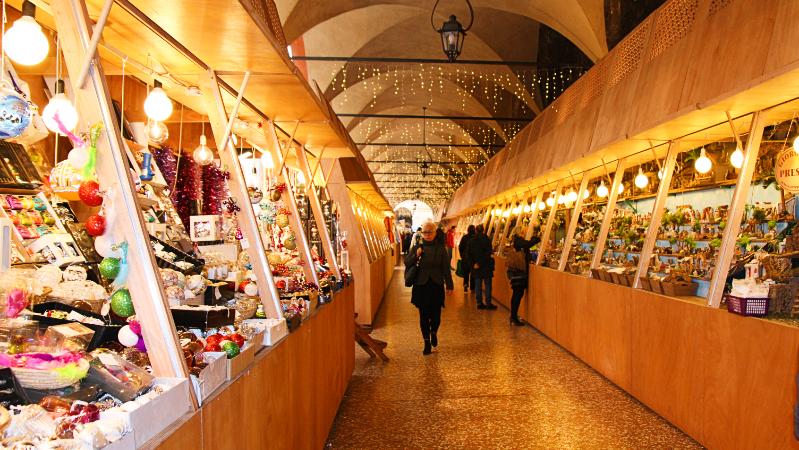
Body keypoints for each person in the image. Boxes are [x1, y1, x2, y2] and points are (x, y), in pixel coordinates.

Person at [405, 221, 454, 355]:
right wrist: (416, 255)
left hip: (436, 285)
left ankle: (434, 332)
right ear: (422, 233)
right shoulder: (417, 247)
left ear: (435, 233)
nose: (427, 235)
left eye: (429, 232)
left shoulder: (440, 248)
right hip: (421, 285)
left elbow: (445, 268)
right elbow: (407, 262)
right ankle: (426, 342)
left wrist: (449, 285)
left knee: (436, 315)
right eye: (425, 232)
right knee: (424, 316)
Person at [506, 227, 540, 326]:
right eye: (524, 232)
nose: (525, 233)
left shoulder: (515, 240)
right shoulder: (518, 241)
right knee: (517, 294)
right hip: (519, 274)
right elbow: (528, 244)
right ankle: (513, 317)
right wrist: (536, 238)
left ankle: (513, 316)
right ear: (520, 233)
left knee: (516, 294)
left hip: (516, 272)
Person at [468, 224, 496, 310]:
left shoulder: (472, 240)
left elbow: (469, 254)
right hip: (486, 265)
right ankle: (488, 303)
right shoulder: (487, 239)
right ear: (483, 230)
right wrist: (480, 262)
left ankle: (479, 303)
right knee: (488, 285)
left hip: (476, 267)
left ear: (476, 230)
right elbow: (488, 253)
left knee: (478, 285)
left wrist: (474, 264)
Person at [458, 225, 476, 291]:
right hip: (473, 260)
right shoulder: (475, 238)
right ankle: (472, 288)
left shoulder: (464, 237)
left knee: (466, 273)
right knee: (473, 274)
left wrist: (462, 255)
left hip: (465, 259)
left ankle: (465, 286)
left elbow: (460, 247)